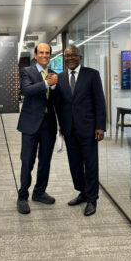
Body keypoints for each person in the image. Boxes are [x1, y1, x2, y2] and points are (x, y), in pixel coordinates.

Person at [55, 45, 106, 216]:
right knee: (75, 165)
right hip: (69, 129)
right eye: (66, 56)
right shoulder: (60, 78)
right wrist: (61, 125)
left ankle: (92, 199)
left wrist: (100, 126)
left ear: (80, 57)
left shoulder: (92, 75)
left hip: (89, 128)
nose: (69, 58)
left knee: (90, 165)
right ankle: (83, 192)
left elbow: (100, 102)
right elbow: (59, 104)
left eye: (73, 55)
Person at [17, 43, 58, 214]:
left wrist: (54, 86)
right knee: (27, 161)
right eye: (41, 52)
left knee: (45, 161)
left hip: (48, 124)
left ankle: (39, 192)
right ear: (35, 55)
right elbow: (26, 90)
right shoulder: (27, 71)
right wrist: (47, 84)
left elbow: (57, 99)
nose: (44, 55)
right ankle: (22, 196)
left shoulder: (54, 73)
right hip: (30, 124)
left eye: (47, 53)